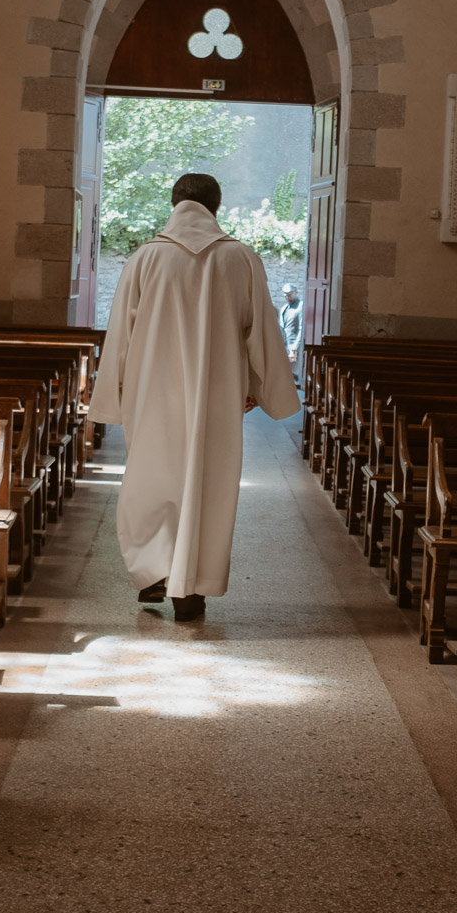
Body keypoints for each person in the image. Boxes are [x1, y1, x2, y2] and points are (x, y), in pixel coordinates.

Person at [87, 173, 301, 621]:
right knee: (207, 484)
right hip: (217, 391)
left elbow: (120, 335)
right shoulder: (241, 258)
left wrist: (112, 395)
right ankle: (192, 590)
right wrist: (262, 390)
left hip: (152, 390)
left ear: (173, 203)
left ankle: (151, 573)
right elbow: (261, 330)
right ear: (215, 208)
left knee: (150, 478)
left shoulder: (145, 258)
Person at [278, 283, 303, 359]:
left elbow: (301, 329)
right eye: (286, 295)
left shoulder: (300, 306)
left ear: (295, 292)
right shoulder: (284, 309)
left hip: (294, 348)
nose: (288, 297)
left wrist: (294, 348)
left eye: (289, 294)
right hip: (283, 347)